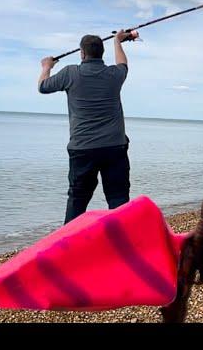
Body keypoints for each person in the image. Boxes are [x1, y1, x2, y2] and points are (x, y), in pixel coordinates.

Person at [38, 31, 132, 224]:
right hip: (114, 148)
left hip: (83, 149)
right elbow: (123, 64)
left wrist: (47, 66)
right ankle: (124, 243)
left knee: (78, 200)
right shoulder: (114, 75)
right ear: (102, 52)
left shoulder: (70, 72)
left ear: (82, 54)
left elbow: (43, 86)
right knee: (118, 199)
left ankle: (70, 246)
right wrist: (118, 41)